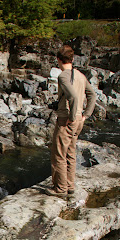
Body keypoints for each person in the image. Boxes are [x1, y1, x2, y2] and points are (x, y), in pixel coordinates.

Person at [45, 45, 96, 198]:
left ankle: (60, 189)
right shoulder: (80, 75)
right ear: (72, 59)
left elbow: (72, 97)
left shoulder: (63, 76)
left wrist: (72, 117)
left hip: (66, 119)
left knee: (59, 154)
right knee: (71, 153)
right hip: (79, 119)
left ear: (58, 60)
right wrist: (85, 114)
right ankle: (70, 185)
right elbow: (92, 95)